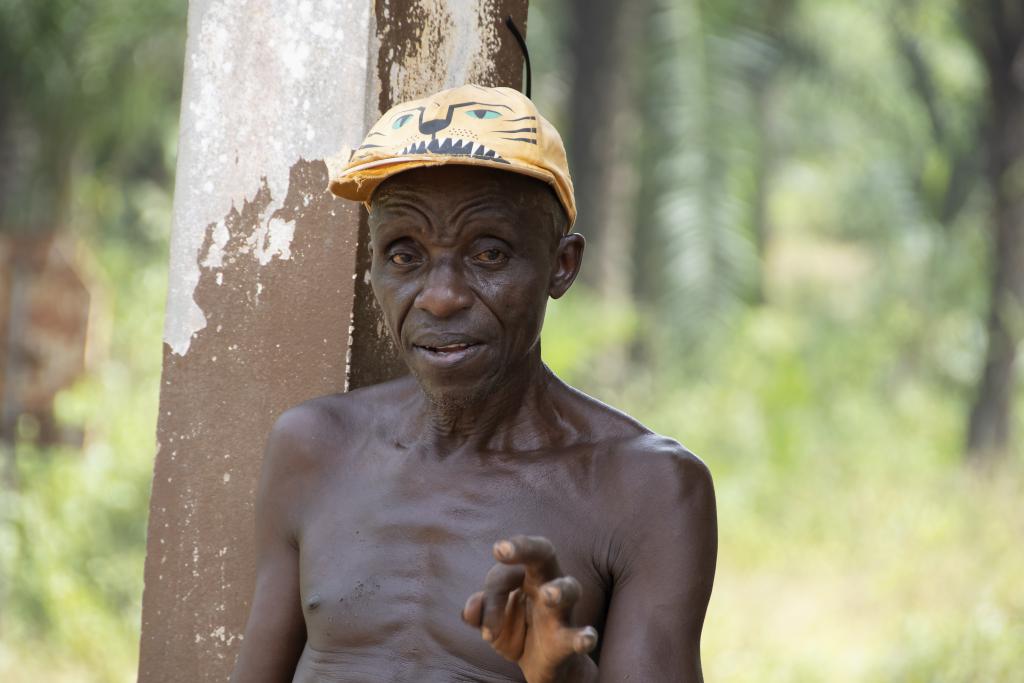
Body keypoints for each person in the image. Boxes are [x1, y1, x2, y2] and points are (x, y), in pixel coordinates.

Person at [230, 84, 717, 683]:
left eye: (488, 254)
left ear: (561, 266)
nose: (440, 297)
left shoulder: (644, 489)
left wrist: (565, 677)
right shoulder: (314, 447)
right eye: (405, 255)